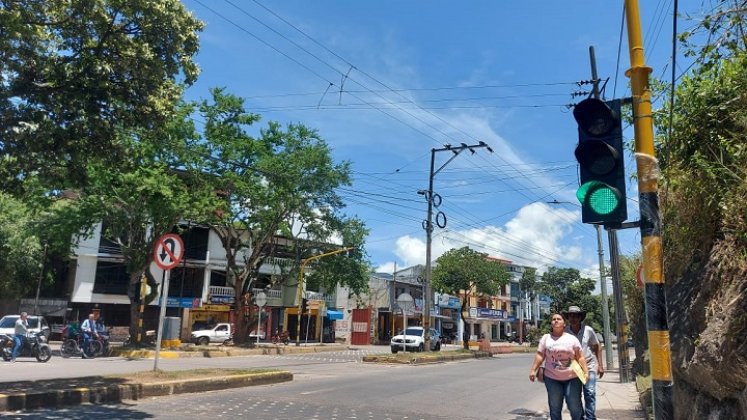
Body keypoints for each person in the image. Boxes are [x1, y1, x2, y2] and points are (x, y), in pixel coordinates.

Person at [529, 313, 589, 420]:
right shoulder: (546, 338)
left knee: (575, 407)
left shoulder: (572, 339)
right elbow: (540, 355)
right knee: (555, 407)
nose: (556, 320)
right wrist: (533, 370)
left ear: (564, 323)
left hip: (573, 378)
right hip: (552, 379)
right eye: (553, 319)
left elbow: (580, 357)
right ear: (551, 323)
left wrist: (586, 372)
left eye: (559, 319)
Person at [564, 305, 604, 420]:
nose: (573, 318)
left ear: (580, 317)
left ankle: (590, 417)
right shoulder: (565, 332)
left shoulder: (588, 330)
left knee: (589, 392)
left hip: (589, 365)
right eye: (570, 316)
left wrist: (600, 366)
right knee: (574, 397)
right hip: (573, 367)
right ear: (568, 318)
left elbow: (597, 347)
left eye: (576, 316)